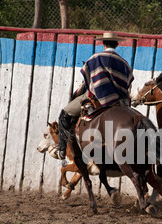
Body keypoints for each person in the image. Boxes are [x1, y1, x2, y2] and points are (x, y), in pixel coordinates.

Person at [55, 32, 134, 165]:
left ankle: (62, 150)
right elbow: (127, 83)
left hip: (96, 98)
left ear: (103, 43)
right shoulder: (124, 63)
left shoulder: (95, 58)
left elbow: (86, 79)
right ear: (117, 44)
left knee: (64, 114)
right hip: (118, 101)